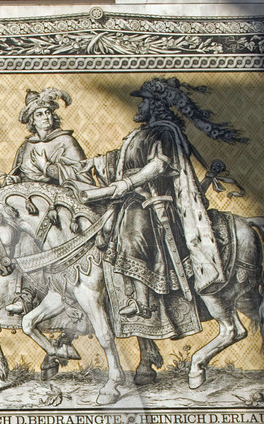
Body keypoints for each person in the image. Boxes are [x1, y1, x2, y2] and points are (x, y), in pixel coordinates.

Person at [82, 77, 243, 338]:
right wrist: (93, 163)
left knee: (133, 235)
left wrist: (122, 186)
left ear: (155, 105)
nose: (139, 106)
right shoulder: (141, 133)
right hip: (131, 196)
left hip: (153, 199)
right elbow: (122, 157)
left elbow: (158, 166)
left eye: (143, 101)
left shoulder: (164, 132)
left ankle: (142, 301)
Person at [10, 88, 87, 188]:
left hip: (59, 197)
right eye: (39, 114)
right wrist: (14, 179)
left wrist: (46, 167)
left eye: (47, 112)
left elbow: (81, 175)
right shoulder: (26, 146)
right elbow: (22, 175)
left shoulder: (66, 141)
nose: (45, 117)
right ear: (32, 121)